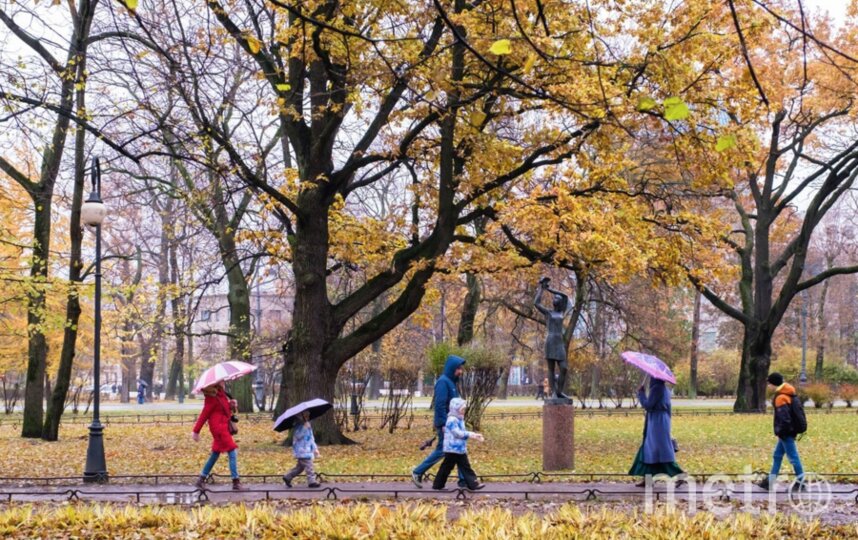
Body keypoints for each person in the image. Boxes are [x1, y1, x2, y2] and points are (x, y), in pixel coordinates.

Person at [412, 355, 466, 488]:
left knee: (458, 449)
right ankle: (417, 471)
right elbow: (440, 404)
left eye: (461, 369)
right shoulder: (443, 382)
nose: (461, 371)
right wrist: (442, 424)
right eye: (458, 369)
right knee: (444, 449)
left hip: (452, 423)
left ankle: (464, 480)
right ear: (452, 368)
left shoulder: (451, 382)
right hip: (446, 424)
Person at [629, 376, 684, 487]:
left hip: (656, 423)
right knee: (650, 450)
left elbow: (648, 405)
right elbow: (668, 408)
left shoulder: (657, 389)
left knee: (658, 451)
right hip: (661, 422)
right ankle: (648, 479)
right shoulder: (665, 389)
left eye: (651, 377)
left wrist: (641, 394)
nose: (650, 379)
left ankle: (680, 475)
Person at [191, 382, 247, 491]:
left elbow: (226, 411)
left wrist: (231, 405)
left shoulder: (221, 394)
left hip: (223, 427)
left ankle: (201, 480)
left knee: (215, 455)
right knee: (232, 451)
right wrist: (196, 431)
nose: (224, 382)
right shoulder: (211, 398)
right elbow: (204, 414)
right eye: (221, 381)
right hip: (219, 429)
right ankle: (236, 482)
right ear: (215, 384)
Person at [757, 372, 805, 492]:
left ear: (773, 384)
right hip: (788, 431)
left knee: (793, 457)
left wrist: (781, 432)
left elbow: (784, 418)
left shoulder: (781, 398)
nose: (768, 386)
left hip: (786, 432)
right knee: (777, 456)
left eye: (769, 383)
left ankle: (801, 483)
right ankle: (769, 482)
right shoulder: (788, 393)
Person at [431, 398, 485, 490]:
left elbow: (461, 432)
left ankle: (438, 484)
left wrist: (474, 435)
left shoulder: (459, 419)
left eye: (464, 409)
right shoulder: (452, 420)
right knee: (456, 466)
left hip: (458, 448)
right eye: (462, 409)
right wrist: (472, 435)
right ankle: (473, 484)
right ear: (455, 409)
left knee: (451, 466)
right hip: (452, 448)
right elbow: (457, 433)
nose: (464, 411)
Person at [533, 278, 572, 399]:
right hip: (550, 341)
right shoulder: (548, 313)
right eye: (555, 298)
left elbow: (565, 296)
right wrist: (541, 288)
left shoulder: (561, 312)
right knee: (551, 369)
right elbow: (536, 303)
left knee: (564, 368)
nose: (556, 299)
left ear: (560, 303)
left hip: (559, 342)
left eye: (557, 299)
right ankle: (554, 393)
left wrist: (550, 289)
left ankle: (559, 392)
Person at [282, 410, 322, 488]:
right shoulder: (298, 425)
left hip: (307, 450)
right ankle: (312, 482)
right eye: (306, 416)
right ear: (301, 416)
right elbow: (298, 436)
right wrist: (304, 427)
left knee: (299, 468)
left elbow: (311, 438)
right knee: (309, 466)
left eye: (308, 416)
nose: (307, 417)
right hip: (302, 450)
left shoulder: (308, 425)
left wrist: (315, 449)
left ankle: (288, 477)